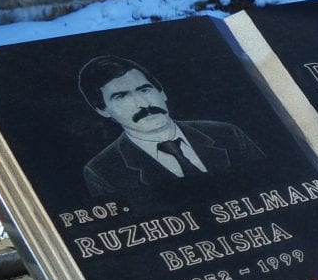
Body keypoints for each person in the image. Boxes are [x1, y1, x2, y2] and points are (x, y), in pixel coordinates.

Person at [79, 56, 265, 200]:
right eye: (121, 97)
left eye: (145, 90)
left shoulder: (227, 133)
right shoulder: (102, 171)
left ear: (162, 92)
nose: (143, 103)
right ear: (102, 110)